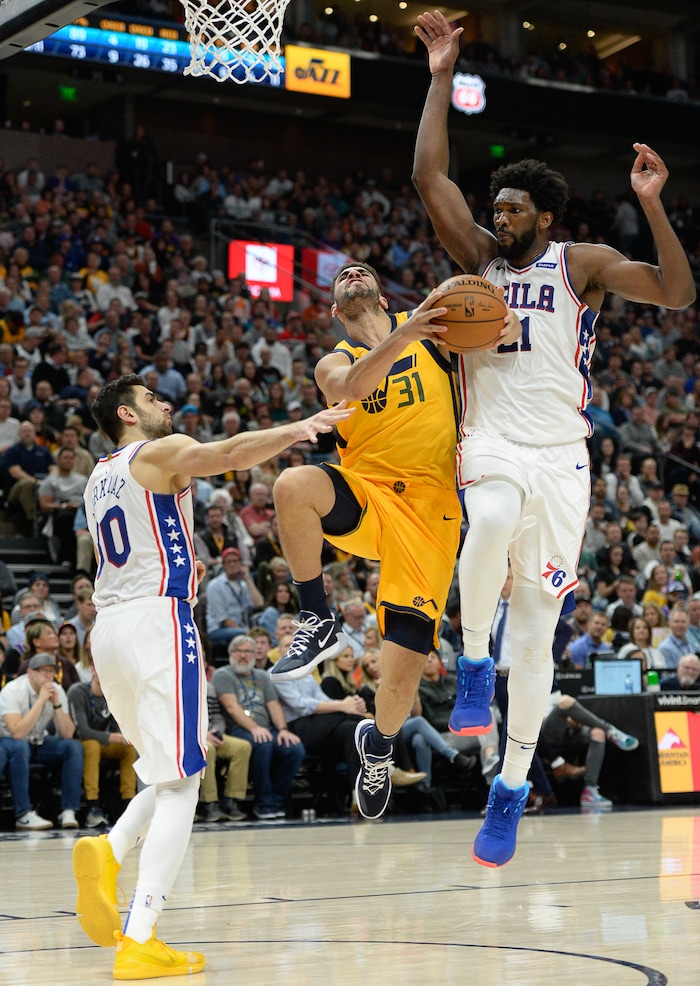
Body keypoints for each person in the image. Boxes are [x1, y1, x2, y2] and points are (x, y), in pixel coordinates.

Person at [411, 9, 694, 866]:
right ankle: (468, 664)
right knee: (486, 519)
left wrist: (652, 205)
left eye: (513, 207)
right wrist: (438, 75)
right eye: (494, 205)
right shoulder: (480, 259)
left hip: (564, 458)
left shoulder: (581, 264)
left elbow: (678, 294)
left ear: (547, 212)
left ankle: (510, 786)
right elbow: (429, 177)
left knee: (535, 639)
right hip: (494, 440)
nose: (498, 216)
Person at [70, 372, 350, 979]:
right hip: (157, 622)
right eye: (151, 398)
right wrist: (298, 430)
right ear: (126, 413)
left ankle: (109, 852)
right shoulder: (159, 451)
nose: (164, 404)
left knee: (166, 771)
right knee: (184, 784)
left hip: (109, 631)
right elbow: (224, 454)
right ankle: (138, 934)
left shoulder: (97, 476)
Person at [270, 259, 512, 823]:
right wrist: (404, 333)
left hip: (431, 514)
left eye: (362, 270)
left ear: (380, 294)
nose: (353, 271)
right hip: (370, 494)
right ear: (336, 309)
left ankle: (377, 746)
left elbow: (505, 332)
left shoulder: (434, 331)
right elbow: (352, 389)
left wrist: (508, 324)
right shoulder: (337, 359)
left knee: (400, 673)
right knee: (293, 484)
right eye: (342, 276)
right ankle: (316, 616)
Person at [212, 634, 305, 820]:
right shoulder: (223, 675)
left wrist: (283, 730)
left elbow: (274, 705)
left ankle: (277, 800)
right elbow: (232, 707)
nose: (243, 655)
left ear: (255, 655)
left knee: (294, 749)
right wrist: (254, 728)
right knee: (263, 744)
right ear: (231, 654)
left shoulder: (263, 676)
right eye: (238, 651)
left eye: (248, 651)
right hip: (238, 730)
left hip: (267, 729)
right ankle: (264, 803)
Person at [0, 651, 84, 829]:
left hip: (39, 742)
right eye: (42, 671)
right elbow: (17, 733)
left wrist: (57, 705)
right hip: (10, 744)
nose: (48, 676)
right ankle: (23, 814)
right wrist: (40, 702)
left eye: (51, 671)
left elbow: (67, 733)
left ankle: (69, 810)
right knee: (20, 746)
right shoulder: (12, 691)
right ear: (30, 673)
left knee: (73, 747)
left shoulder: (58, 690)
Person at [67, 659, 138, 829]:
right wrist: (114, 737)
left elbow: (121, 726)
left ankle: (128, 804)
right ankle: (93, 806)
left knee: (129, 748)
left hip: (106, 744)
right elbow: (82, 731)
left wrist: (122, 736)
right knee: (91, 745)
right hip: (81, 743)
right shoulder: (78, 692)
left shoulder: (116, 693)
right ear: (92, 669)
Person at [539, 692, 639, 810]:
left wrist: (571, 718)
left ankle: (589, 790)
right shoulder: (524, 684)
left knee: (598, 733)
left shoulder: (551, 685)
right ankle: (610, 730)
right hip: (543, 734)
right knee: (565, 701)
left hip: (565, 729)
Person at [196, 681, 252, 823]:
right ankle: (208, 803)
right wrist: (202, 734)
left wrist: (217, 732)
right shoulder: (175, 684)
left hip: (211, 733)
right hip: (191, 736)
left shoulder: (208, 687)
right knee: (207, 748)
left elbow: (218, 717)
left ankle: (231, 800)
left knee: (242, 747)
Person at [204, 546, 264, 648]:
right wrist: (247, 634)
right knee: (253, 637)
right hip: (218, 630)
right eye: (229, 562)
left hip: (242, 628)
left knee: (263, 635)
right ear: (224, 565)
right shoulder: (214, 585)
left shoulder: (244, 584)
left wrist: (248, 580)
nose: (232, 564)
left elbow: (259, 603)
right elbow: (224, 619)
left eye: (235, 561)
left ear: (240, 563)